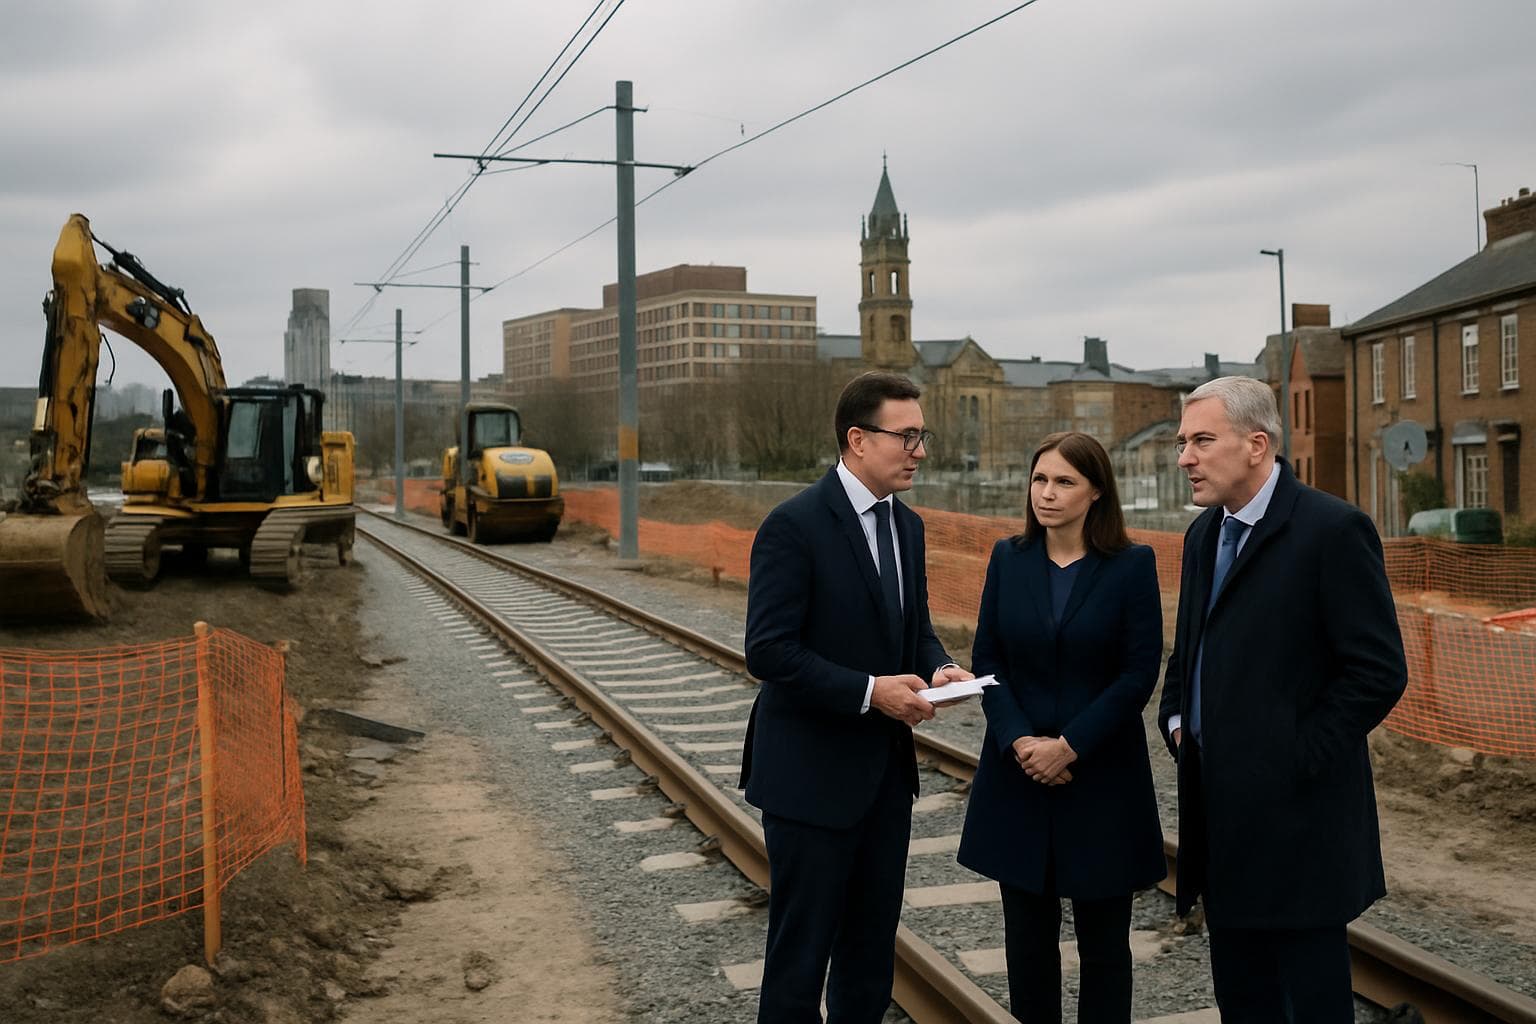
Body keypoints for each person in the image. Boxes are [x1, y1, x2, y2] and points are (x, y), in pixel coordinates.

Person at [1156, 376, 1407, 1022]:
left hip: (1301, 828)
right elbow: (1190, 646)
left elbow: (1377, 672)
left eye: (1201, 440)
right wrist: (1179, 719)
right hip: (1220, 818)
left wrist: (1291, 757)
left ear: (1256, 445)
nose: (1184, 457)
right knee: (1243, 1002)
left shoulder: (1331, 530)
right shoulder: (1202, 536)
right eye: (1183, 442)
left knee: (1312, 1005)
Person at [742, 370, 971, 1024]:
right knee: (800, 959)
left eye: (921, 436)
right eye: (907, 436)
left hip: (883, 783)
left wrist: (941, 667)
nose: (919, 450)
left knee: (871, 955)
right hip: (809, 782)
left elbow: (913, 628)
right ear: (858, 440)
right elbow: (769, 650)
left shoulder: (908, 527)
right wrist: (872, 692)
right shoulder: (794, 526)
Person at [957, 431, 1165, 1023]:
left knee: (1104, 948)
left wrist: (1069, 746)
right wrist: (1022, 742)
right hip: (1018, 777)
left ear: (1096, 491)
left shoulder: (1131, 566)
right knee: (1027, 947)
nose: (1046, 493)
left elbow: (1137, 673)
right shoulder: (1008, 557)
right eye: (1040, 479)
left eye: (1064, 482)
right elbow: (989, 658)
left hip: (1099, 779)